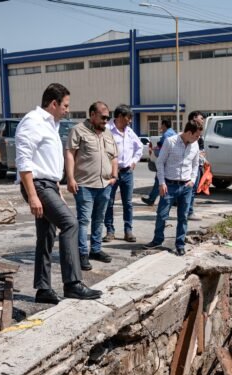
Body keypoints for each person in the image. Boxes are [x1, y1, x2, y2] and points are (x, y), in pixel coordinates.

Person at [16, 83, 102, 303]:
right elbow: (24, 161)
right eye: (65, 105)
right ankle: (72, 283)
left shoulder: (52, 125)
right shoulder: (33, 122)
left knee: (46, 235)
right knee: (71, 224)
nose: (67, 109)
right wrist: (33, 195)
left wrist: (57, 189)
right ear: (53, 104)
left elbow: (47, 162)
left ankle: (43, 290)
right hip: (37, 185)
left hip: (48, 185)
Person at [66, 101, 118, 271]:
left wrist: (114, 176)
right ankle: (82, 254)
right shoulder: (78, 130)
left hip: (105, 184)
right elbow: (70, 155)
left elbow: (114, 156)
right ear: (92, 114)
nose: (106, 120)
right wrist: (70, 178)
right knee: (83, 221)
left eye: (108, 118)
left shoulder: (108, 134)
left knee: (99, 219)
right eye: (103, 117)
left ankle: (95, 249)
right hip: (85, 185)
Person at [144, 120, 202, 256]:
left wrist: (192, 180)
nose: (198, 139)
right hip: (169, 185)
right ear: (189, 133)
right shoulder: (170, 142)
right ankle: (157, 240)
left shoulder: (195, 145)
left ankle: (180, 244)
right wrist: (162, 183)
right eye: (196, 136)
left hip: (186, 186)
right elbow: (160, 162)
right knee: (162, 215)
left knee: (183, 217)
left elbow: (195, 164)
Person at [104, 105, 142, 243]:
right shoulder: (107, 130)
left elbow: (139, 147)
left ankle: (128, 231)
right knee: (109, 202)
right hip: (111, 173)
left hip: (127, 173)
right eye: (128, 118)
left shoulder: (129, 131)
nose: (130, 121)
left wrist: (133, 161)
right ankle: (110, 231)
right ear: (119, 117)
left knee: (128, 203)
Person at [141, 119, 176, 206]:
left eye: (161, 125)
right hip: (172, 161)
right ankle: (175, 200)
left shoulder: (166, 135)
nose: (160, 127)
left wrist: (155, 149)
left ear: (164, 125)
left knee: (158, 180)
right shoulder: (174, 133)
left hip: (165, 162)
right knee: (171, 181)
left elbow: (161, 147)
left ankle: (151, 199)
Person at [185, 110, 206, 220]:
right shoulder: (189, 132)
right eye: (201, 118)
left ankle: (187, 210)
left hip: (198, 164)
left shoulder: (199, 132)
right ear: (194, 118)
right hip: (192, 165)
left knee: (192, 190)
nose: (203, 120)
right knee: (191, 190)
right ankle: (189, 212)